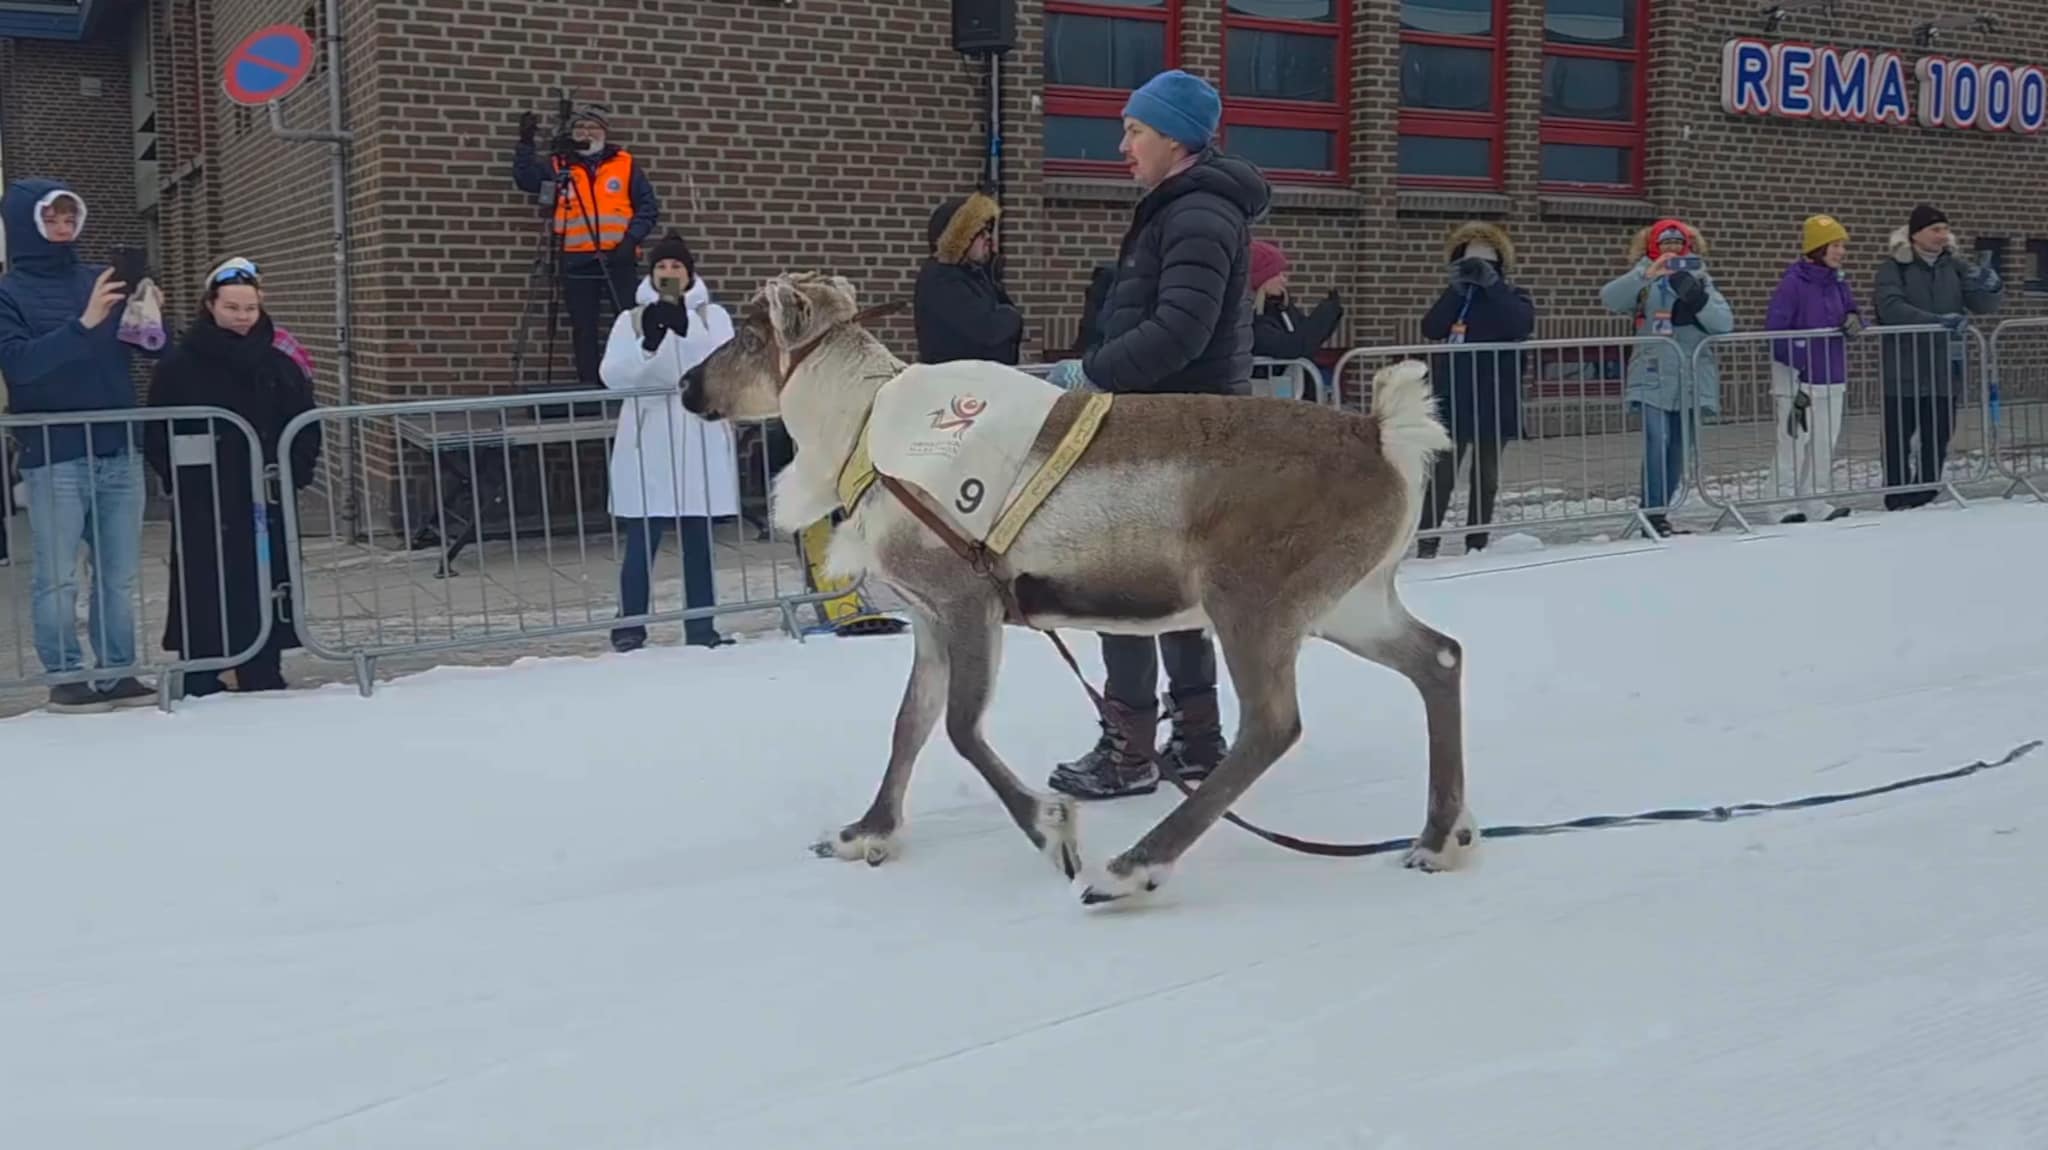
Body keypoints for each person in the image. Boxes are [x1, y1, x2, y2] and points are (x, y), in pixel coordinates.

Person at [1039, 68, 1273, 801]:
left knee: (1124, 587)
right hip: (1175, 429)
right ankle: (1198, 743)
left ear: (1175, 138)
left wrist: (1089, 373)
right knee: (1170, 589)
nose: (1122, 145)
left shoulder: (1197, 214)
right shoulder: (1183, 206)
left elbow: (1179, 330)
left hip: (1174, 433)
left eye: (1135, 130)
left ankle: (1132, 751)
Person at [0, 179, 155, 712]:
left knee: (118, 573)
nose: (64, 230)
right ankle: (66, 675)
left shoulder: (99, 278)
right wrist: (85, 323)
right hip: (55, 455)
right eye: (52, 220)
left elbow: (146, 353)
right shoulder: (8, 292)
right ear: (28, 225)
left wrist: (148, 321)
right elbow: (19, 365)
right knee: (58, 576)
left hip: (117, 447)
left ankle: (119, 672)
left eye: (70, 219)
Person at [143, 258, 321, 696]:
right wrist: (178, 480)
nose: (242, 317)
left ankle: (263, 667)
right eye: (232, 307)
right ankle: (204, 671)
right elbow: (157, 429)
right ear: (210, 305)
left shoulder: (278, 360)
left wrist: (293, 476)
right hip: (205, 497)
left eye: (250, 308)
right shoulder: (182, 363)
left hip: (265, 496)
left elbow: (305, 421)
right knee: (206, 582)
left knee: (264, 580)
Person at [600, 230, 738, 653]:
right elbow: (615, 375)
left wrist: (686, 328)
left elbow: (722, 368)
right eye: (661, 266)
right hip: (651, 440)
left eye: (676, 266)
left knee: (698, 540)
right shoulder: (632, 320)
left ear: (690, 272)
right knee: (643, 537)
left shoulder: (714, 317)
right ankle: (630, 626)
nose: (669, 272)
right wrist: (651, 344)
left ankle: (701, 626)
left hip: (697, 437)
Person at [513, 102, 661, 389]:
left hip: (618, 256)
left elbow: (648, 208)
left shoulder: (625, 163)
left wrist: (630, 240)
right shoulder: (560, 164)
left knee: (628, 319)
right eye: (580, 127)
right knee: (583, 326)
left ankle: (631, 380)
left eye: (592, 127)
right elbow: (526, 179)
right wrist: (526, 144)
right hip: (576, 257)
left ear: (604, 131)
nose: (586, 133)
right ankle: (590, 384)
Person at [1600, 219, 1733, 538]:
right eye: (1665, 244)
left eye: (1677, 243)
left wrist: (1697, 299)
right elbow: (1609, 298)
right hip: (1652, 372)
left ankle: (1659, 512)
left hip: (1688, 374)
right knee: (1655, 440)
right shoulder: (1645, 277)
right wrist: (1645, 274)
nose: (1671, 249)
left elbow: (1724, 323)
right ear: (1653, 246)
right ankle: (1653, 510)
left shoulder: (1700, 276)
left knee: (1677, 447)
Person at [1873, 204, 2004, 510]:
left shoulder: (1955, 266)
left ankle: (1927, 493)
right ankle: (1898, 494)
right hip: (1905, 367)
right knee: (1898, 436)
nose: (1942, 235)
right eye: (1935, 229)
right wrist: (1935, 320)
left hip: (1944, 367)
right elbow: (1890, 307)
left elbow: (1981, 304)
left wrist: (1992, 287)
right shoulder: (1894, 267)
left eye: (1945, 229)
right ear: (1916, 234)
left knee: (1938, 433)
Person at [1416, 222, 1535, 556]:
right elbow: (1432, 327)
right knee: (1441, 476)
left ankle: (1476, 542)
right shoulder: (1456, 298)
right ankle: (1427, 542)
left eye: (1485, 264)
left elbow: (1520, 323)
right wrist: (1454, 290)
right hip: (1454, 397)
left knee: (1486, 476)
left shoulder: (1514, 296)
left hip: (1495, 398)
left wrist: (1493, 286)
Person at [1764, 214, 1863, 524]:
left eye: (1841, 246)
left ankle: (1816, 500)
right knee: (1794, 442)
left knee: (1824, 441)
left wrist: (1856, 321)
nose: (1841, 251)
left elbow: (1852, 311)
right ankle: (1779, 504)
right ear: (1818, 248)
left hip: (1832, 373)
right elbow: (1775, 331)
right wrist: (1800, 359)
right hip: (1797, 380)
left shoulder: (1838, 282)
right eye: (1835, 245)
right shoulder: (1793, 284)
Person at [914, 190, 1023, 365]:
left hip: (979, 380)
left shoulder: (974, 274)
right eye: (979, 232)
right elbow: (989, 328)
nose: (987, 237)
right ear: (960, 238)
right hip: (957, 384)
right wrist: (1012, 316)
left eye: (988, 230)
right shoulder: (942, 279)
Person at [1247, 239, 1343, 402]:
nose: (1285, 280)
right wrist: (1325, 313)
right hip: (1271, 401)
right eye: (1278, 274)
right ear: (1261, 278)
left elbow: (1306, 335)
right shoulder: (1252, 319)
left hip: (1296, 397)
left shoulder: (1280, 307)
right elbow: (1294, 346)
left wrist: (1331, 312)